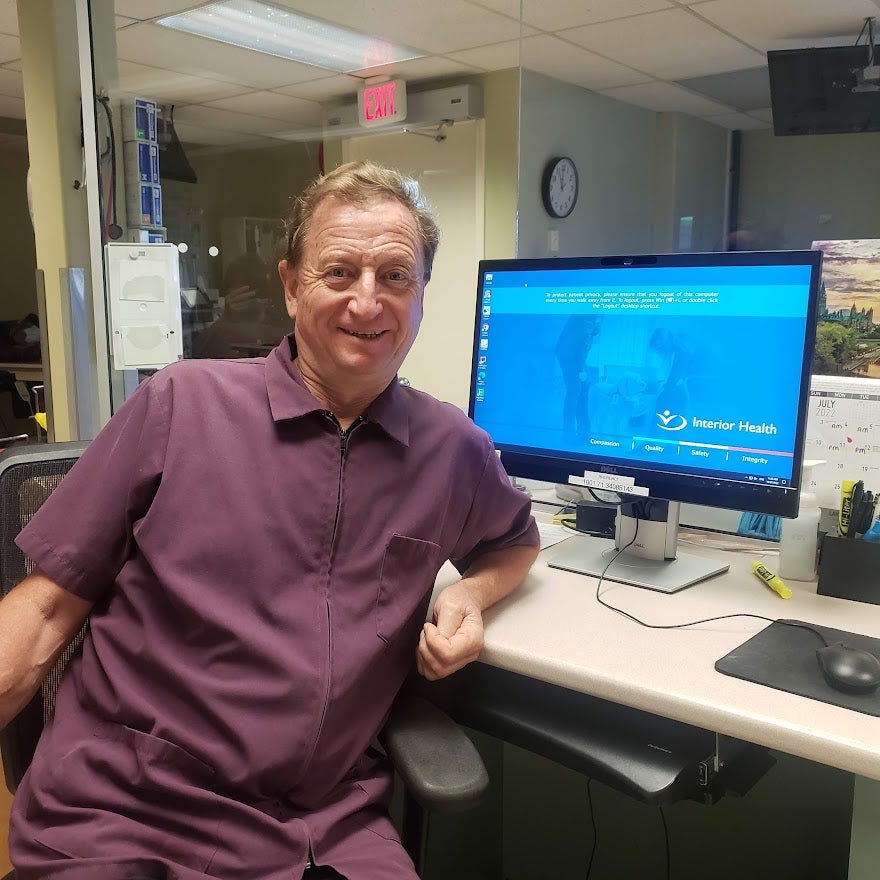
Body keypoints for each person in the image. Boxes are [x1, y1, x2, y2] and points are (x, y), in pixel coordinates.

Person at [0, 161, 539, 880]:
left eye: (395, 277)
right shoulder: (181, 404)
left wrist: (466, 593)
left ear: (422, 295)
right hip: (126, 812)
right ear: (291, 286)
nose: (367, 301)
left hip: (321, 825)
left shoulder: (453, 450)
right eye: (339, 272)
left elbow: (516, 544)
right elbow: (43, 613)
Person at [192, 252, 289, 359]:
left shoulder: (284, 321)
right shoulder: (218, 334)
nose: (255, 291)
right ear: (229, 290)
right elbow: (198, 350)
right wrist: (228, 315)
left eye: (259, 283)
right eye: (246, 284)